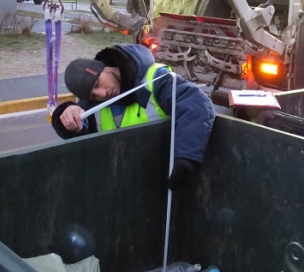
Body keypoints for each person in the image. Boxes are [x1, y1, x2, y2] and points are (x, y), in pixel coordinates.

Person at [51, 43, 216, 189]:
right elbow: (80, 132)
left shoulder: (155, 79)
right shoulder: (96, 103)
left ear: (104, 67)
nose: (102, 93)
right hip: (127, 185)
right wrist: (67, 113)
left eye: (97, 84)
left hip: (165, 181)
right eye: (93, 95)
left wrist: (186, 157)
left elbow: (196, 104)